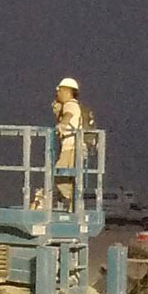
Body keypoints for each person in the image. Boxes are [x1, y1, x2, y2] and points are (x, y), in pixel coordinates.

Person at [52, 78, 91, 207]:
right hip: (75, 146)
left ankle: (73, 200)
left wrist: (62, 124)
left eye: (59, 90)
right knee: (70, 177)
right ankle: (73, 202)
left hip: (71, 147)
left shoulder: (70, 104)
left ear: (66, 91)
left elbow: (68, 115)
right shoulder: (74, 105)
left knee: (60, 175)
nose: (57, 93)